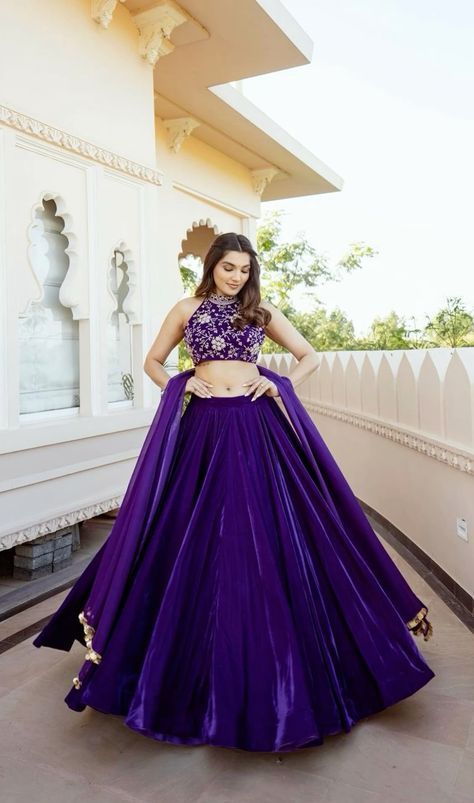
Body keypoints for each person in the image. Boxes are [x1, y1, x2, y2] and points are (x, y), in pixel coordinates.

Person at [33, 232, 435, 753]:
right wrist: (181, 384)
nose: (237, 277)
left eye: (245, 269)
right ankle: (168, 659)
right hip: (202, 429)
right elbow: (154, 362)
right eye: (229, 268)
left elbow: (307, 355)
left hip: (255, 427)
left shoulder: (260, 310)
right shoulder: (187, 308)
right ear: (212, 266)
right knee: (182, 531)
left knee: (270, 531)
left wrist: (277, 384)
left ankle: (302, 659)